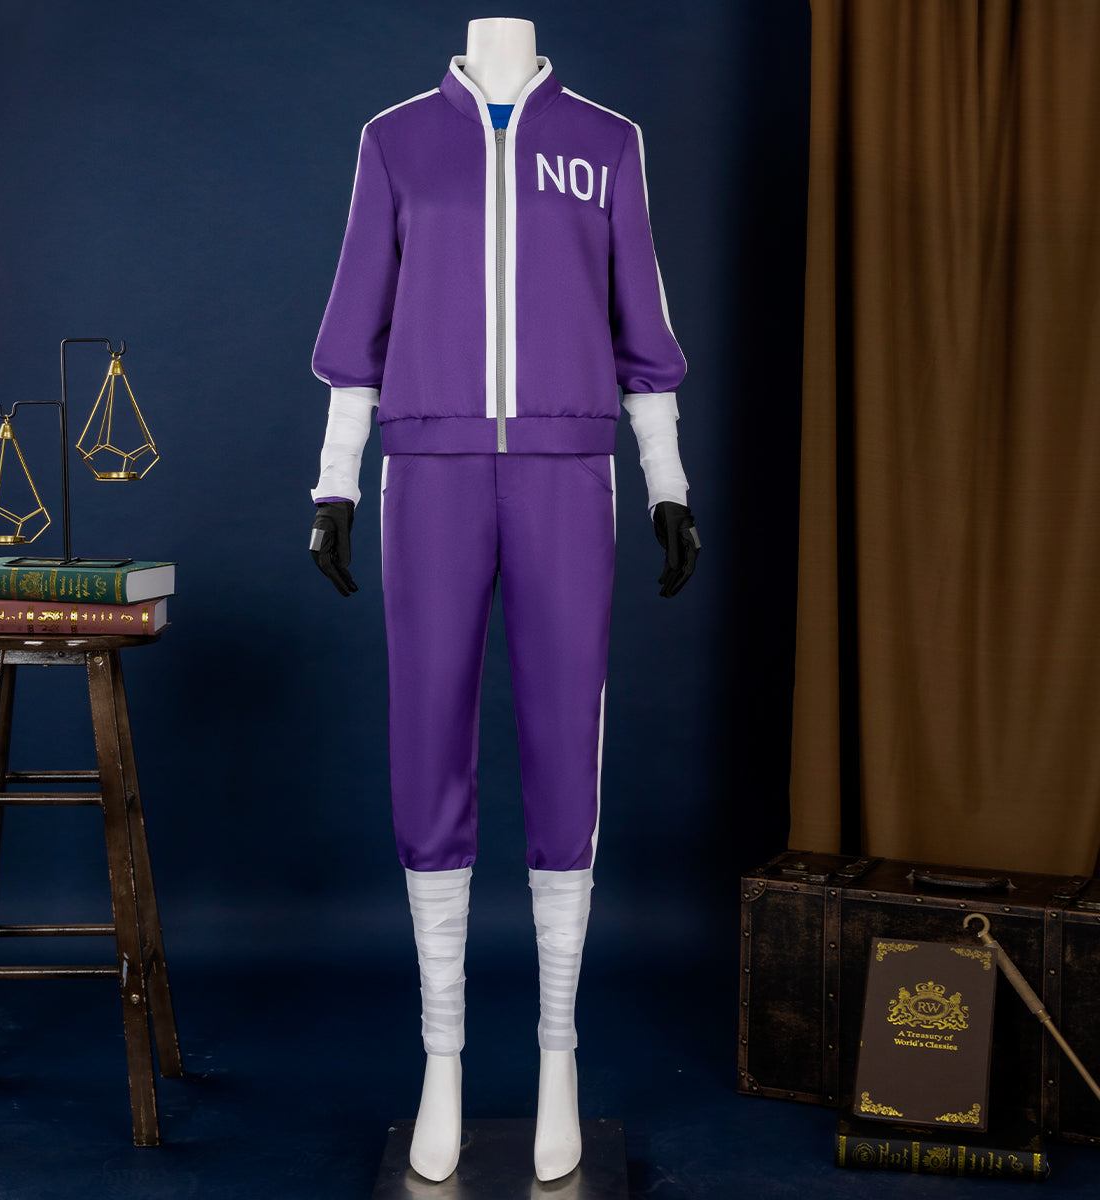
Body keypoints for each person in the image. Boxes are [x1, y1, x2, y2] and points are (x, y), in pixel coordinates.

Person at [308, 17, 698, 1183]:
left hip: (568, 471)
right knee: (427, 734)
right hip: (427, 470)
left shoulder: (607, 143)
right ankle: (442, 1058)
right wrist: (335, 481)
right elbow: (357, 326)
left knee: (565, 739)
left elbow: (644, 329)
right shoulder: (395, 141)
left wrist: (667, 482)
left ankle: (557, 1054)